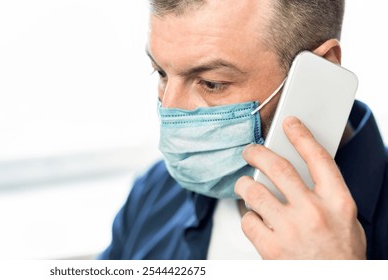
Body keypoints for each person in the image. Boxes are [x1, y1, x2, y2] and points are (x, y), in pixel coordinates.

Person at [98, 0, 388, 260]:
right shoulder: (153, 193)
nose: (171, 109)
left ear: (320, 70)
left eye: (212, 83)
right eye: (161, 73)